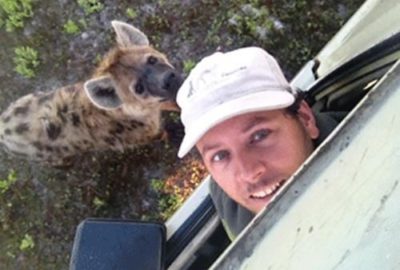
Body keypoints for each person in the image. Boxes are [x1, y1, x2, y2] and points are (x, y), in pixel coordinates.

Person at [176, 47, 342, 240]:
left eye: (259, 136)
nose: (249, 172)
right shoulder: (231, 207)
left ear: (305, 119)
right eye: (221, 155)